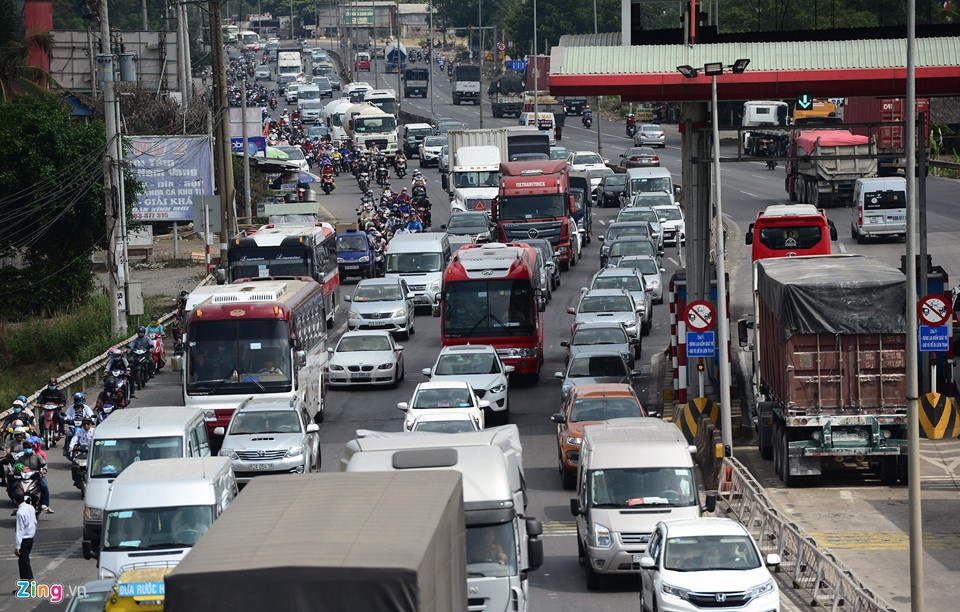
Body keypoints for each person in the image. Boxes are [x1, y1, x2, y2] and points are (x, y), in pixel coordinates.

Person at [15, 442, 52, 514]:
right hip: (24, 478)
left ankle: (44, 504)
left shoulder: (37, 456)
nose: (27, 449)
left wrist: (44, 470)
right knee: (15, 488)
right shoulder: (21, 458)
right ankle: (17, 504)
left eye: (28, 447)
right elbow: (15, 467)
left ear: (32, 448)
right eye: (25, 447)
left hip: (36, 476)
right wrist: (13, 472)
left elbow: (44, 464)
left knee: (44, 487)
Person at [13, 488, 36, 580]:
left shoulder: (20, 512)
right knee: (22, 563)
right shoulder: (31, 507)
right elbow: (34, 522)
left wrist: (17, 547)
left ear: (15, 500)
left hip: (24, 540)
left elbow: (19, 530)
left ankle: (30, 580)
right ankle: (23, 584)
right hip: (30, 538)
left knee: (25, 563)